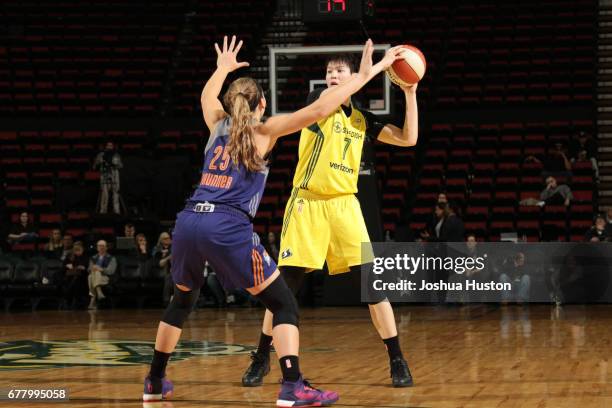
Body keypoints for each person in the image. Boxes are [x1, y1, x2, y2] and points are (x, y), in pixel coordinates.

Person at [142, 35, 397, 405]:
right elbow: (320, 110)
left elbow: (205, 98)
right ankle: (293, 386)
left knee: (181, 302)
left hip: (188, 221)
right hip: (227, 226)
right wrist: (365, 74)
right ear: (262, 104)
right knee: (284, 305)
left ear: (230, 103)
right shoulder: (265, 131)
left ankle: (154, 380)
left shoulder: (216, 125)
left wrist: (222, 69)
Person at [242, 50, 419, 388]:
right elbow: (327, 100)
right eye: (329, 71)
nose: (333, 75)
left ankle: (397, 358)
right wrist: (374, 69)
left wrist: (409, 93)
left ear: (352, 76)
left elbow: (409, 138)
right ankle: (262, 356)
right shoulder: (317, 101)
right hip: (308, 203)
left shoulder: (362, 120)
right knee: (285, 287)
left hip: (344, 206)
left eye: (340, 70)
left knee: (372, 286)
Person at [93, 141, 123, 214]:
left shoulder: (116, 155)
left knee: (115, 193)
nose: (109, 147)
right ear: (105, 146)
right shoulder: (101, 155)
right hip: (104, 173)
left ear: (113, 146)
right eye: (108, 145)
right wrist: (100, 162)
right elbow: (94, 166)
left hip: (114, 174)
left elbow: (121, 165)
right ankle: (103, 211)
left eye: (111, 145)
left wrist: (115, 164)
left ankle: (117, 211)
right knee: (104, 193)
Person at [87, 240, 117, 309]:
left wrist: (101, 269)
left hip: (106, 278)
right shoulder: (93, 258)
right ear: (97, 248)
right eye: (99, 246)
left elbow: (111, 271)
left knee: (92, 276)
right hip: (95, 277)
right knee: (91, 276)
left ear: (106, 247)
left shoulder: (111, 258)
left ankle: (92, 300)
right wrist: (92, 268)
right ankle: (98, 290)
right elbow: (89, 269)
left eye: (103, 246)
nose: (101, 247)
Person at [62, 241, 89, 308]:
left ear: (82, 248)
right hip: (69, 276)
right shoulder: (69, 256)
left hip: (82, 277)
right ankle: (71, 300)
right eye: (75, 248)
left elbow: (87, 267)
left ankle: (67, 298)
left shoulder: (85, 256)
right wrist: (67, 266)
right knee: (73, 279)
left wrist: (83, 267)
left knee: (76, 279)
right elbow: (63, 266)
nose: (77, 249)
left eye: (79, 248)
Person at [152, 232, 173, 305]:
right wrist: (167, 257)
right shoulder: (157, 249)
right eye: (165, 238)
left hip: (172, 271)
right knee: (168, 277)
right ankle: (166, 301)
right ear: (161, 240)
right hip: (159, 271)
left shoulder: (173, 248)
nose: (168, 240)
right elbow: (159, 264)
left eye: (169, 238)